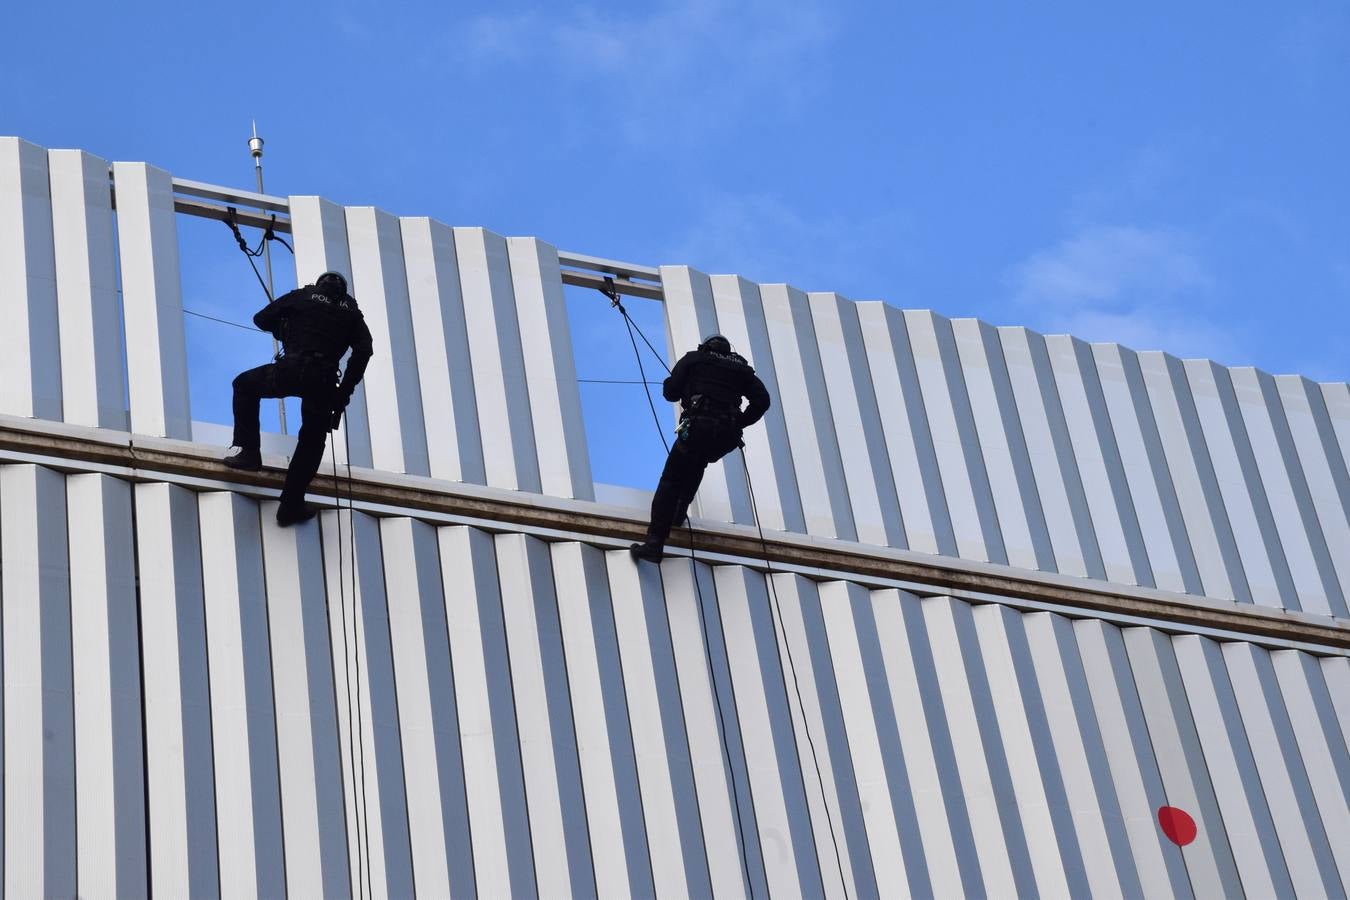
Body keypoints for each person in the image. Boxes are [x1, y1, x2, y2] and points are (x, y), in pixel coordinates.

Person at [223, 271, 374, 526]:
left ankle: (249, 452)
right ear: (343, 290)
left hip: (291, 369)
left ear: (320, 284)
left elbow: (261, 319)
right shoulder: (351, 313)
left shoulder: (302, 296)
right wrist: (343, 393)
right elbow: (364, 350)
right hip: (323, 380)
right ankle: (291, 504)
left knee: (244, 385)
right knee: (312, 440)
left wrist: (284, 329)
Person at [630, 334, 771, 561]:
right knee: (698, 462)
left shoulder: (695, 359)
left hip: (698, 428)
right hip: (725, 436)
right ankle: (679, 512)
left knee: (671, 480)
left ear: (705, 346)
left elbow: (670, 393)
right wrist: (740, 422)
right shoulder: (743, 370)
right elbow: (763, 401)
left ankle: (655, 544)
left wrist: (678, 385)